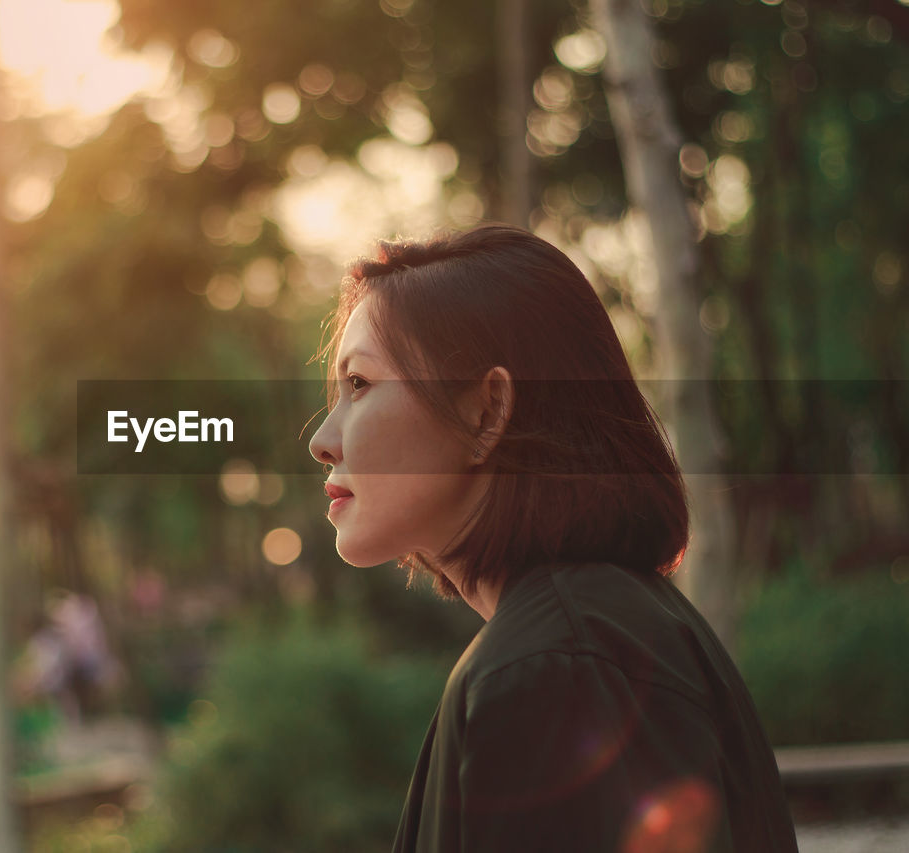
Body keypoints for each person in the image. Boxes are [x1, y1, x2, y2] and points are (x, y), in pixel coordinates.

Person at [306, 224, 798, 852]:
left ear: (487, 411)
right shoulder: (590, 633)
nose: (323, 440)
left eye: (360, 385)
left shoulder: (557, 666)